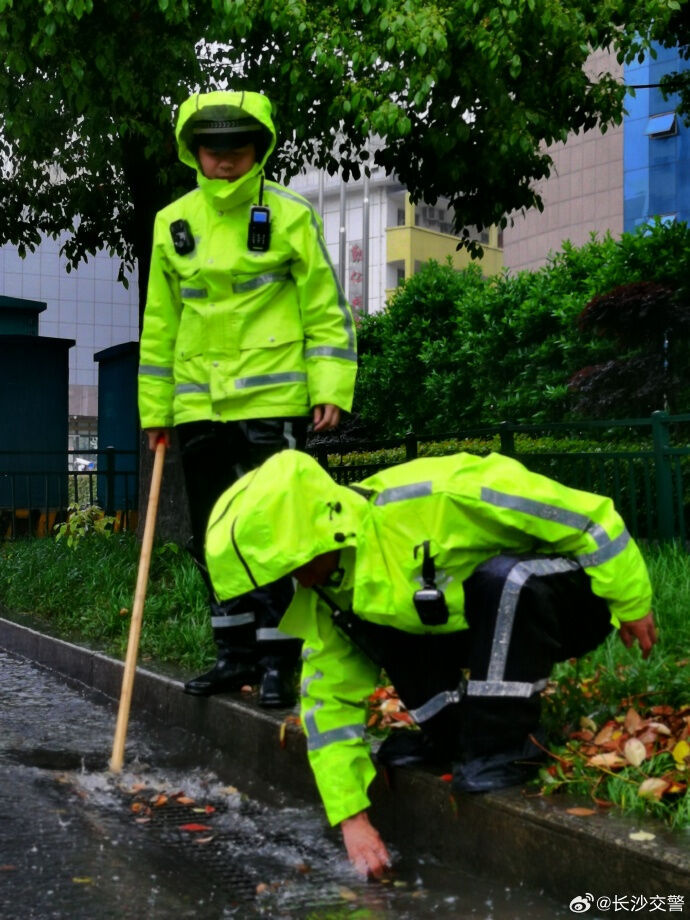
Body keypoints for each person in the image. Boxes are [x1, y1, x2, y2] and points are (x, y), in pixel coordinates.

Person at [203, 449, 657, 877]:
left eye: (297, 565)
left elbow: (588, 517)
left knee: (505, 578)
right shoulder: (333, 586)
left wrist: (632, 601)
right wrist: (352, 821)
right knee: (376, 621)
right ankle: (452, 734)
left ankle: (507, 745)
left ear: (324, 531)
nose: (296, 579)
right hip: (481, 619)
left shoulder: (437, 496)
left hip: (565, 597)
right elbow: (328, 701)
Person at [138, 90, 357, 707]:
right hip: (198, 408)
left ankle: (276, 659)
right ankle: (233, 654)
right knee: (216, 536)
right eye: (214, 148)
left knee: (274, 533)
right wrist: (157, 413)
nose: (226, 160)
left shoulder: (290, 214)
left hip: (275, 403)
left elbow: (325, 307)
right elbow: (160, 324)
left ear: (257, 149)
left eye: (238, 147)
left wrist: (332, 387)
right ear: (194, 152)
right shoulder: (171, 222)